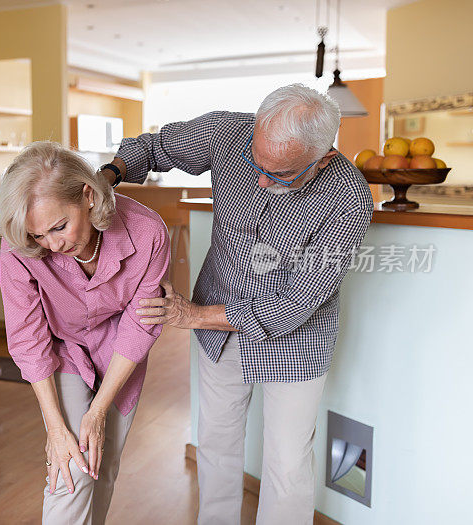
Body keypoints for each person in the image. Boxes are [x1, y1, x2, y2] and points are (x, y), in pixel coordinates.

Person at [98, 84, 374, 525]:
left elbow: (295, 304)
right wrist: (108, 175)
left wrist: (193, 315)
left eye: (280, 175)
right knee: (216, 442)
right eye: (255, 162)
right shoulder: (229, 133)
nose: (261, 180)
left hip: (297, 343)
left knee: (286, 464)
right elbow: (154, 147)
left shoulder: (349, 201)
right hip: (218, 332)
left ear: (321, 159)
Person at [0, 141, 170, 525]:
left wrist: (99, 409)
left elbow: (141, 322)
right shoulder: (20, 244)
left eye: (59, 226)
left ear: (88, 196)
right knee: (71, 469)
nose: (53, 244)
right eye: (39, 236)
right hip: (63, 350)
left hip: (120, 350)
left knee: (103, 467)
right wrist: (56, 426)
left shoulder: (147, 232)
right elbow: (27, 336)